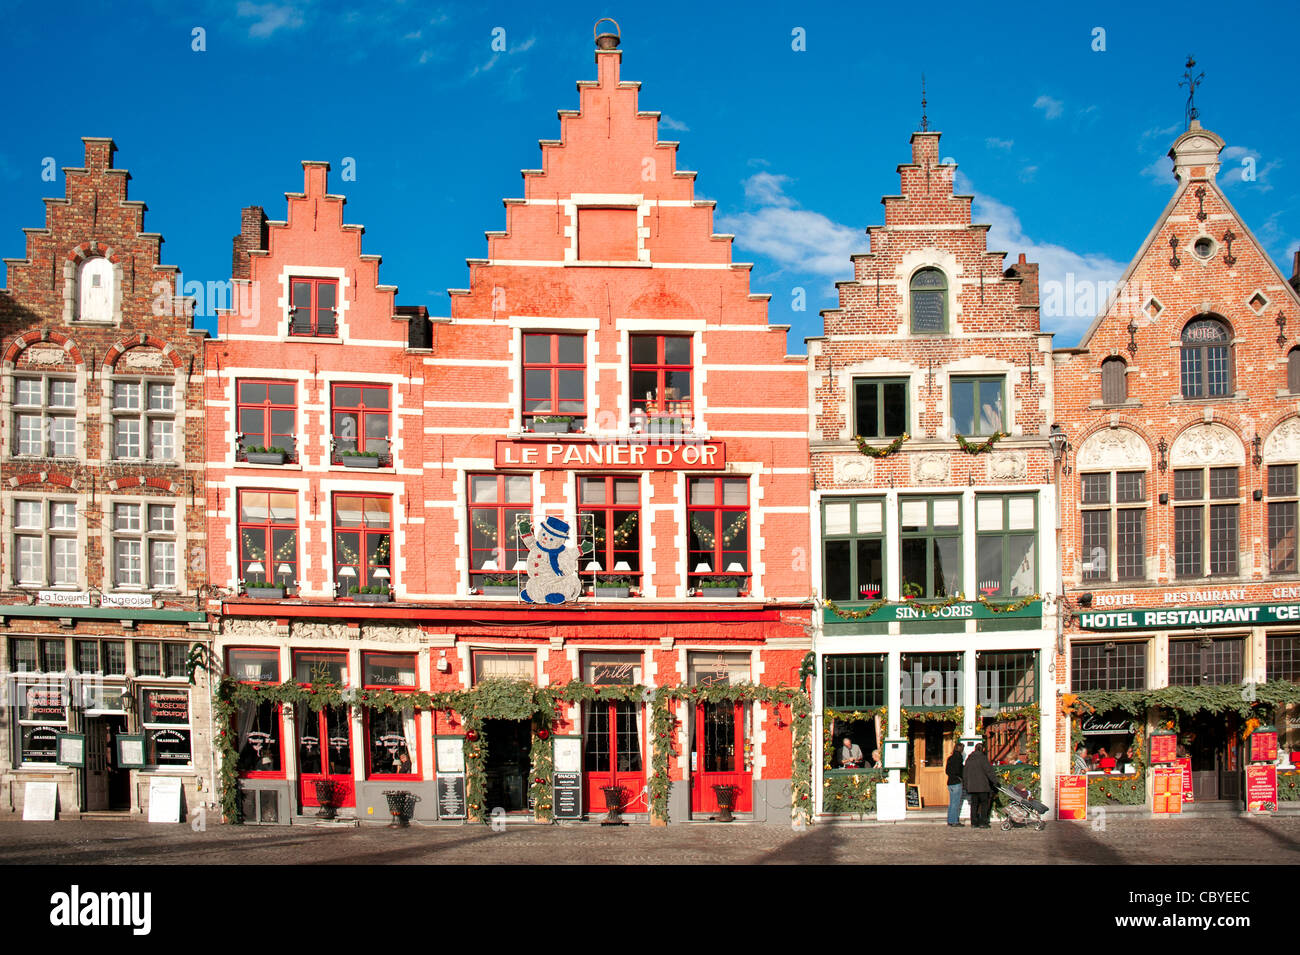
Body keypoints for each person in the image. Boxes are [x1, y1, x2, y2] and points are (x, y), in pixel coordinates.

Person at [962, 742, 999, 829]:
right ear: (983, 749)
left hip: (972, 787)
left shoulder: (969, 759)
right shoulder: (983, 758)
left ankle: (974, 822)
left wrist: (966, 785)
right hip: (982, 786)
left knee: (974, 805)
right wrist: (995, 781)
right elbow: (989, 772)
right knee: (984, 805)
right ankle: (983, 822)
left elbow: (965, 773)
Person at [945, 743, 966, 827]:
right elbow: (958, 770)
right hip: (956, 782)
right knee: (956, 803)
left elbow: (947, 771)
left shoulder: (950, 758)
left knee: (951, 802)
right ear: (960, 749)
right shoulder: (959, 758)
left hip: (950, 782)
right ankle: (954, 821)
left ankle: (950, 820)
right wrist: (960, 777)